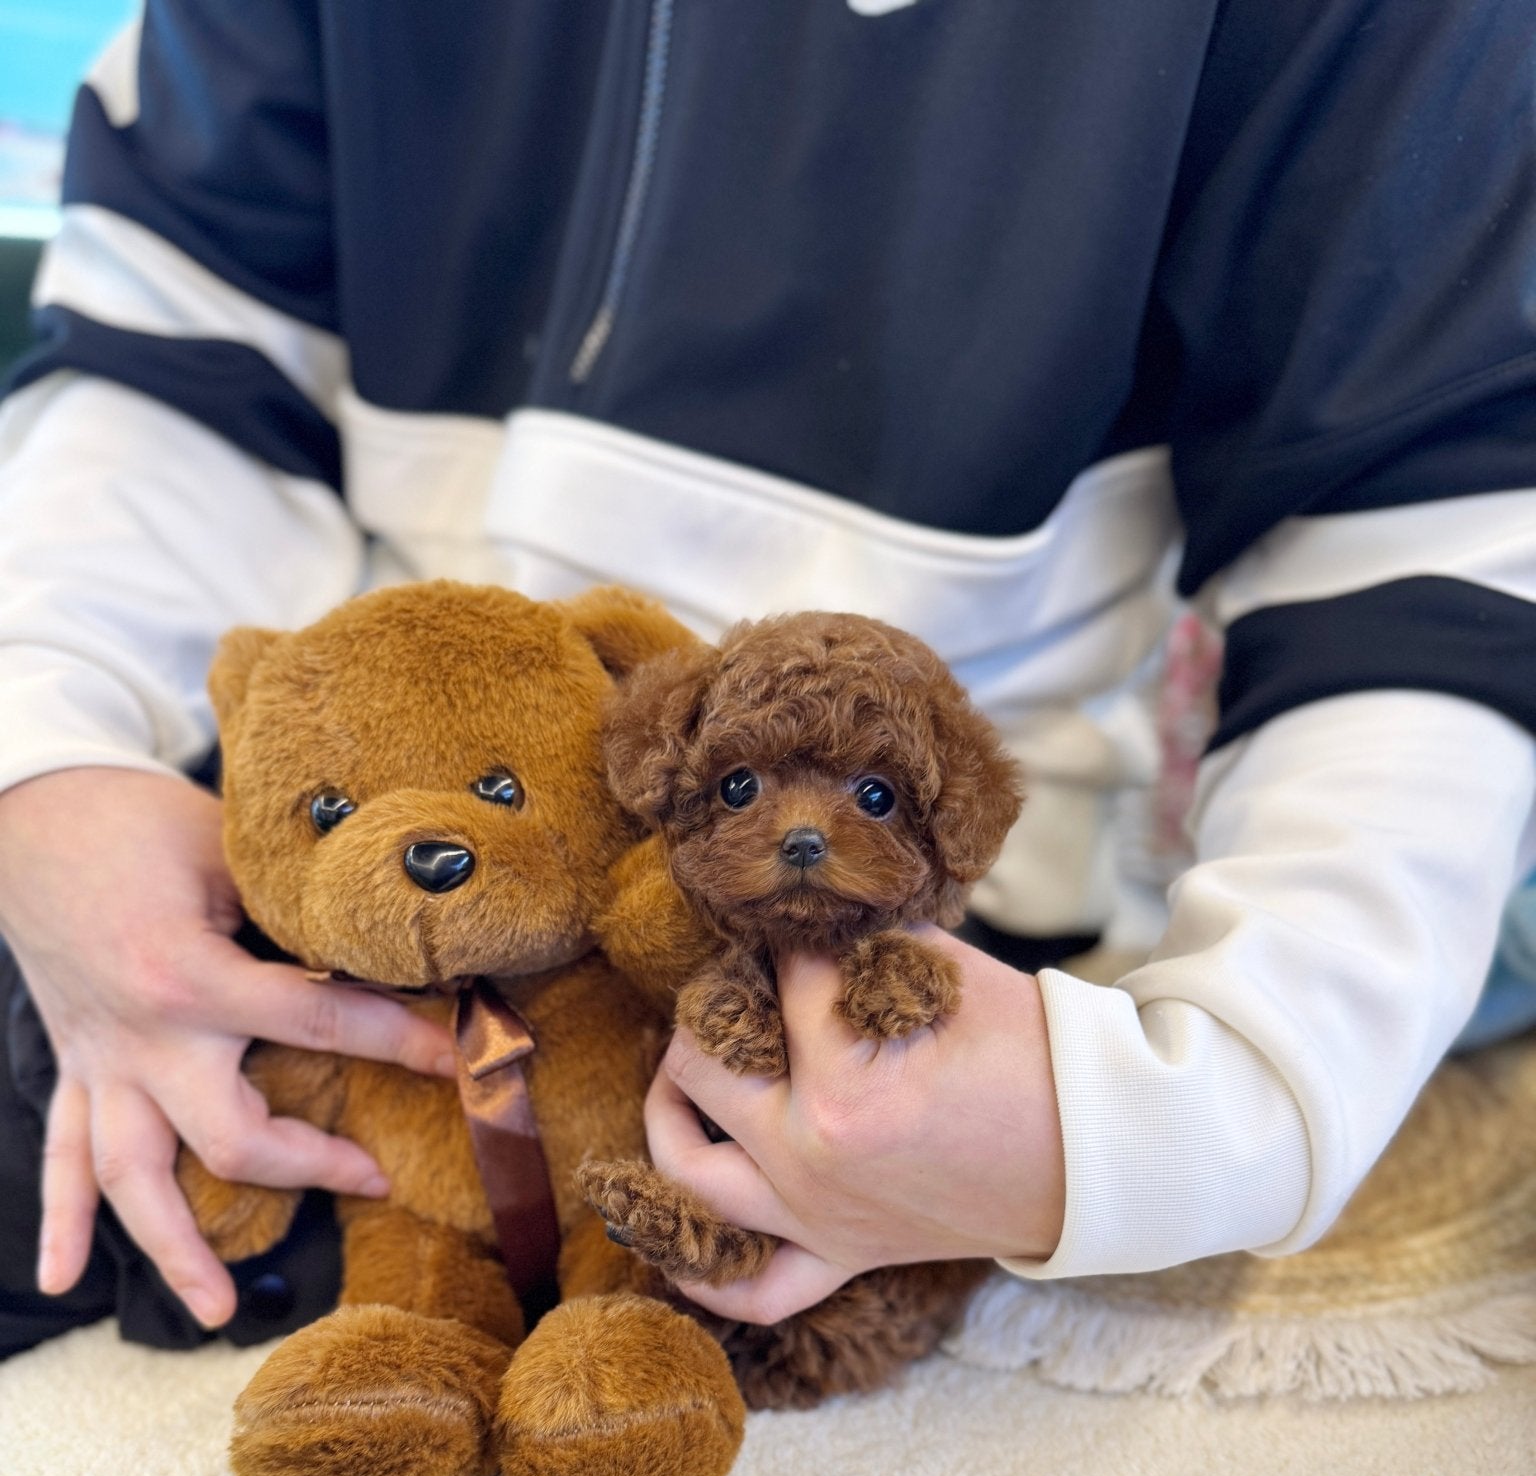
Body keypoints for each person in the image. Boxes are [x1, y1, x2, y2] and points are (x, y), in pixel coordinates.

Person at [1, 0, 1533, 1357]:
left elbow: (1419, 549)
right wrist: (45, 758)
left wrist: (1207, 1111)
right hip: (303, 856)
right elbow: (181, 343)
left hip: (893, 990)